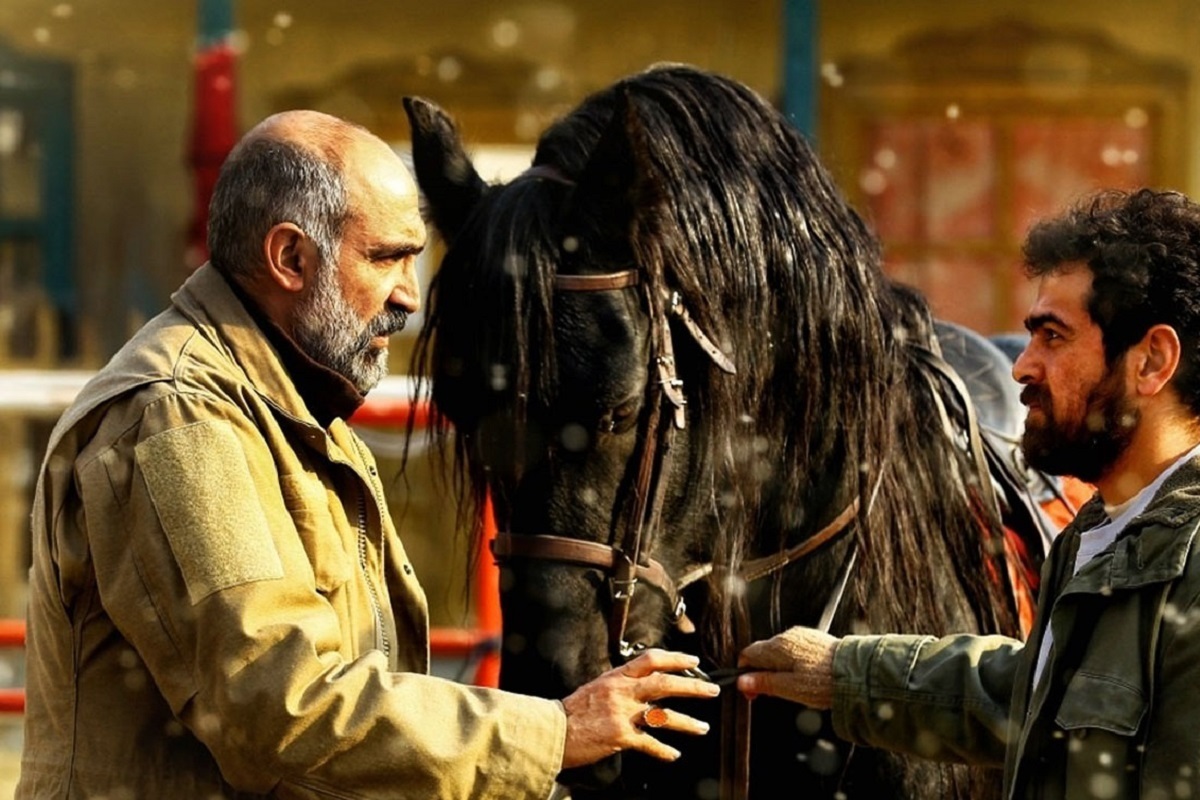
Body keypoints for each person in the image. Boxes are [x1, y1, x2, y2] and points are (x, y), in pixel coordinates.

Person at [16, 110, 719, 799]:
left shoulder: (294, 407)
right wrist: (557, 733)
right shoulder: (179, 414)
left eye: (415, 259)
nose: (409, 297)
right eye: (387, 258)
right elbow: (276, 711)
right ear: (290, 258)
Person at [737, 187, 1200, 799]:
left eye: (1054, 336)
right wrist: (844, 672)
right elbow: (1034, 701)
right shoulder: (1102, 534)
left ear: (1151, 361)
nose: (1021, 365)